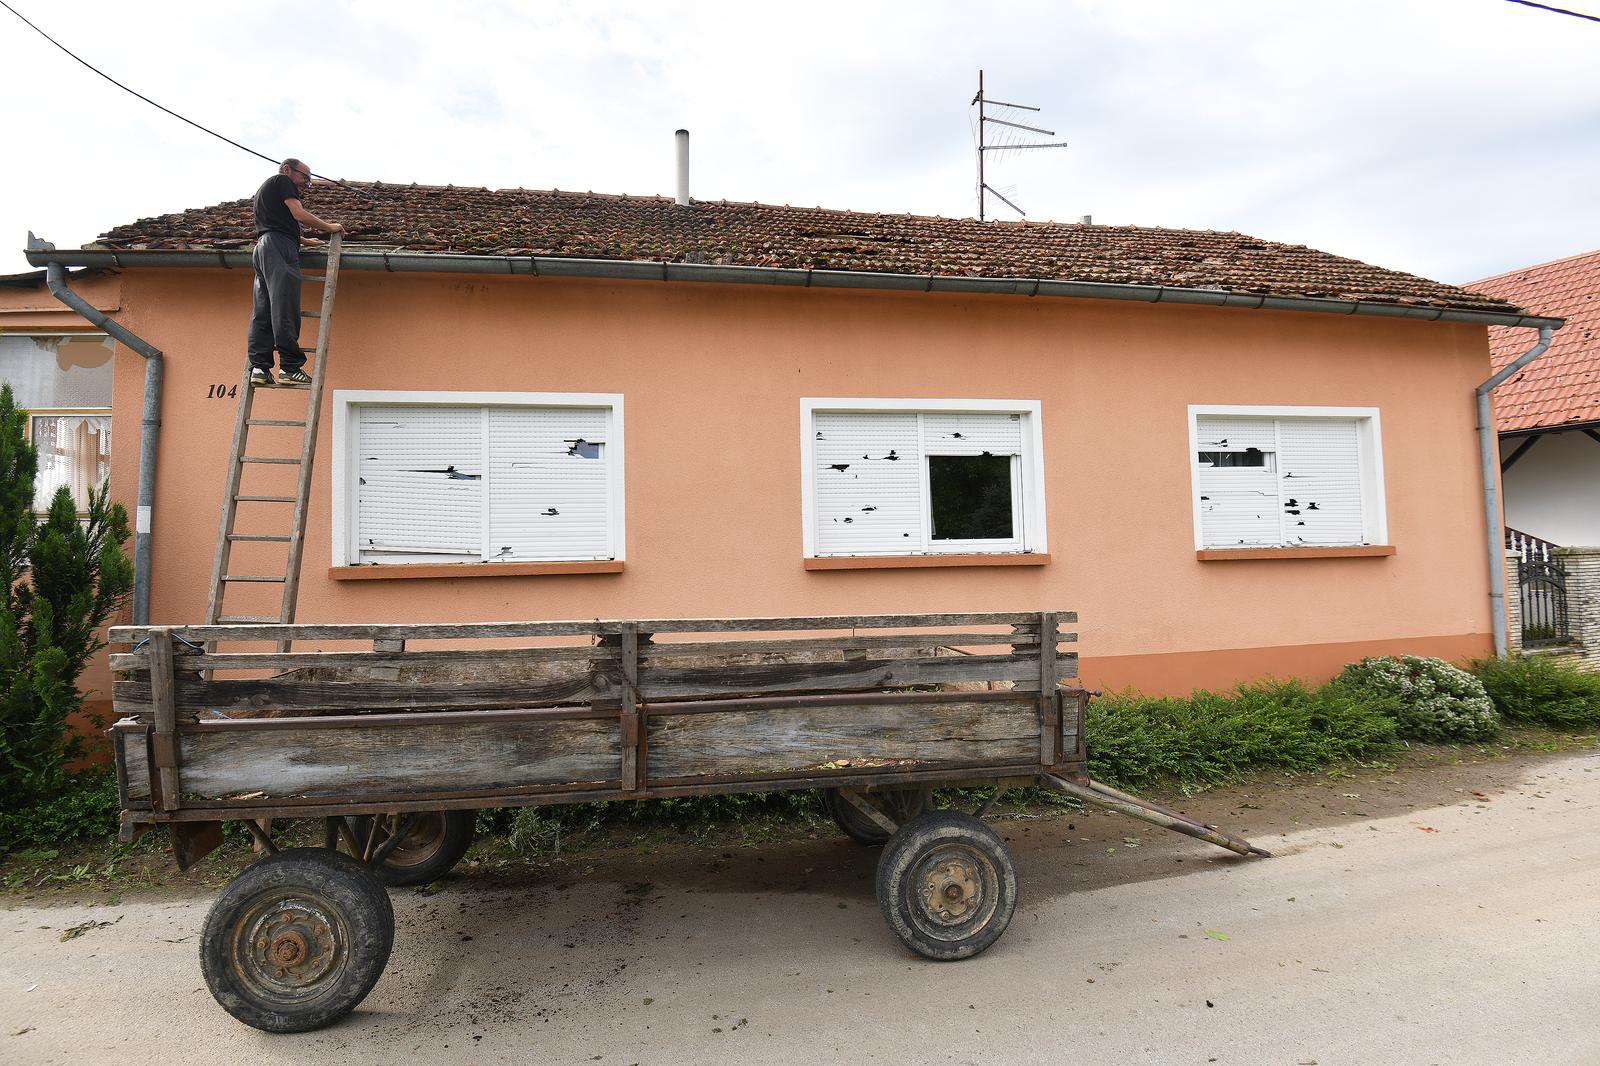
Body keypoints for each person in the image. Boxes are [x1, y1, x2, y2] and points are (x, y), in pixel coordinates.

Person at [246, 158, 344, 386]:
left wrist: (304, 241)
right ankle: (289, 367)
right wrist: (329, 227)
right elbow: (299, 214)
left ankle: (259, 368)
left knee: (263, 310)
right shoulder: (283, 181)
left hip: (263, 248)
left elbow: (277, 224)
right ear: (287, 169)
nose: (306, 183)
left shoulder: (265, 191)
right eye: (305, 177)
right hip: (279, 248)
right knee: (285, 306)